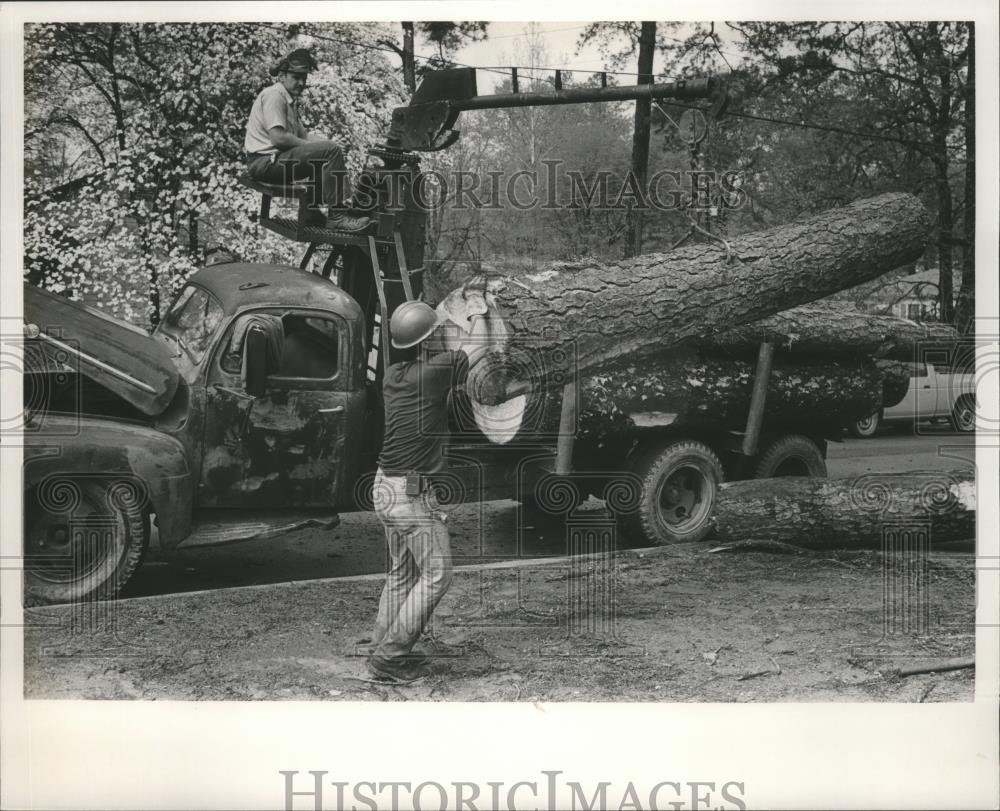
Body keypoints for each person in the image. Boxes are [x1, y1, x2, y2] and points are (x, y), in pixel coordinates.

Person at [367, 301, 469, 684]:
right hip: (410, 497)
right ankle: (389, 659)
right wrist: (450, 321)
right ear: (427, 342)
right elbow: (463, 352)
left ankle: (379, 644)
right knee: (438, 575)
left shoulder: (392, 374)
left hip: (384, 487)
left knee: (402, 573)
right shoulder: (436, 372)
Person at [244, 48, 370, 232]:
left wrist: (330, 144)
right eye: (296, 77)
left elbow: (303, 137)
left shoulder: (289, 100)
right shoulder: (274, 96)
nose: (301, 82)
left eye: (304, 77)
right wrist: (327, 149)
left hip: (271, 162)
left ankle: (311, 213)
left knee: (328, 152)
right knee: (328, 152)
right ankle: (338, 216)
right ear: (283, 76)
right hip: (264, 164)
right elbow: (278, 138)